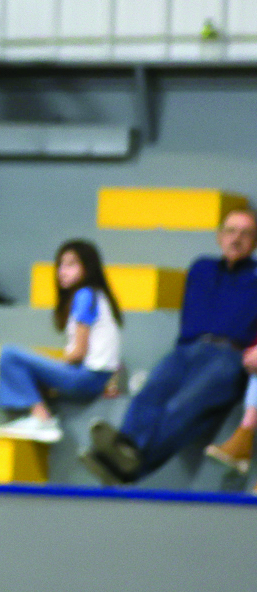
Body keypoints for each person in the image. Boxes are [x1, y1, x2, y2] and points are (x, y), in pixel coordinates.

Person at [81, 207, 257, 486]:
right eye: (231, 231)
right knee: (148, 394)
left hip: (229, 355)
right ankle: (123, 456)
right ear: (219, 236)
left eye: (246, 234)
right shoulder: (201, 267)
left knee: (181, 407)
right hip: (187, 349)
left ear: (255, 242)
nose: (236, 239)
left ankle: (124, 468)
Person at [0, 239, 122, 444]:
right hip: (97, 378)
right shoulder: (97, 295)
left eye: (71, 264)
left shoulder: (85, 295)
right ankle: (40, 416)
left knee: (10, 355)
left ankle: (42, 418)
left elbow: (78, 353)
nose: (62, 271)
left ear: (88, 267)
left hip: (87, 378)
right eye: (60, 265)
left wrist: (51, 367)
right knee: (32, 368)